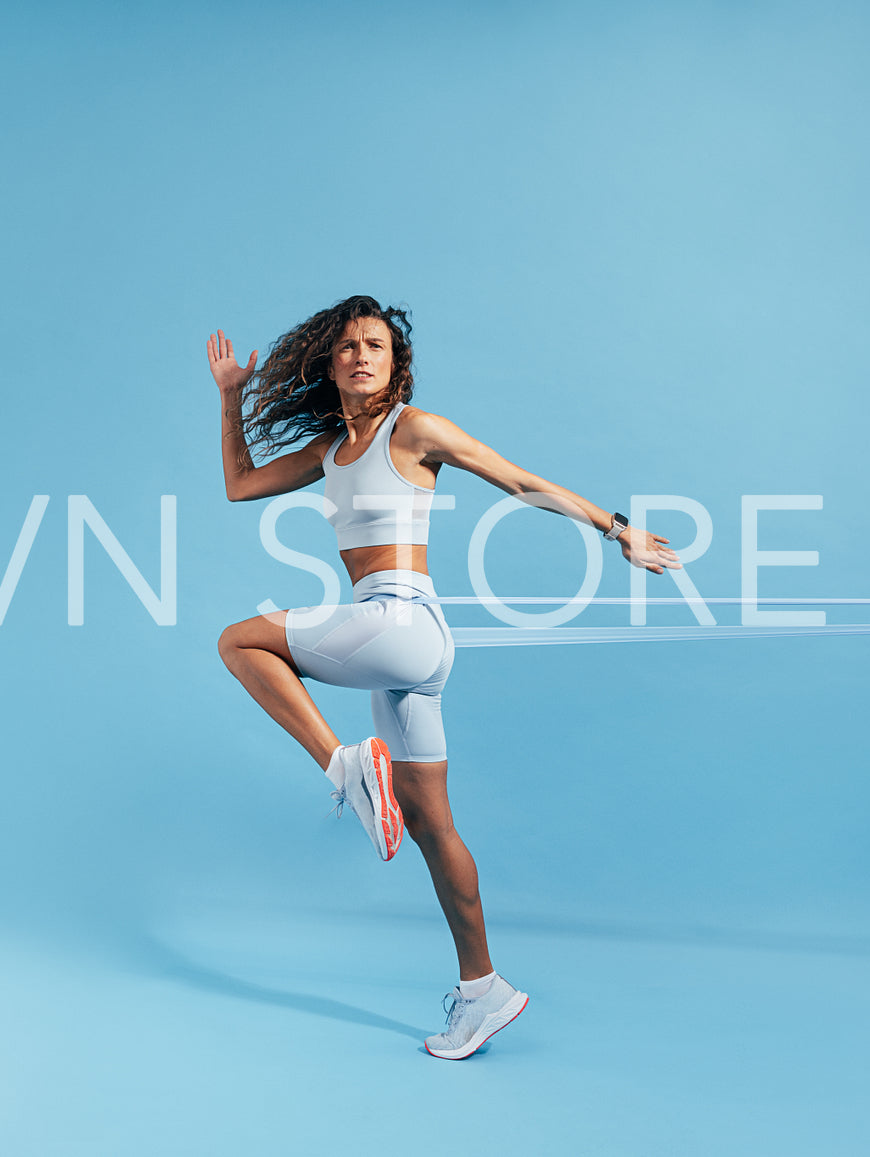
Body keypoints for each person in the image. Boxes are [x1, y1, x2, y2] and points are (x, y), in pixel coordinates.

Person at [208, 295, 681, 1060]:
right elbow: (238, 484)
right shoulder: (330, 449)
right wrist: (231, 396)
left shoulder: (413, 429)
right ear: (328, 364)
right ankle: (481, 989)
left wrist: (618, 529)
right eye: (348, 347)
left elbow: (515, 478)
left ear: (395, 365)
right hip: (394, 647)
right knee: (431, 826)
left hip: (401, 624)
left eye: (376, 346)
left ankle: (345, 767)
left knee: (240, 641)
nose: (361, 355)